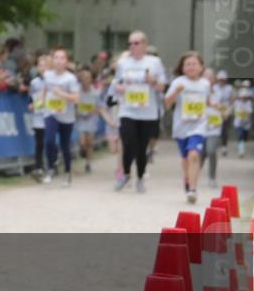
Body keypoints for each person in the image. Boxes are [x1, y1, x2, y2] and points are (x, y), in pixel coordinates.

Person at [109, 31, 167, 193]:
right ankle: (126, 174)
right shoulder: (123, 63)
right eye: (130, 43)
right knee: (128, 142)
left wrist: (152, 81)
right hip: (127, 110)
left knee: (141, 147)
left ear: (144, 45)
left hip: (148, 111)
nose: (132, 46)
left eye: (136, 43)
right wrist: (119, 87)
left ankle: (140, 177)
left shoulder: (154, 62)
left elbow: (162, 86)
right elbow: (116, 82)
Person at [164, 51, 210, 204]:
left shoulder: (205, 84)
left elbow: (206, 101)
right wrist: (176, 92)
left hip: (199, 125)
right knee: (185, 158)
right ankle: (188, 178)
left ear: (201, 67)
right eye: (188, 64)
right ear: (182, 68)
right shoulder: (178, 82)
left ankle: (192, 189)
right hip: (181, 127)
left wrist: (213, 105)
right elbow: (167, 103)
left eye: (194, 64)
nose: (191, 67)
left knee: (194, 155)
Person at [41, 47, 80, 185]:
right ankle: (50, 169)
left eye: (62, 58)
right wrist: (41, 100)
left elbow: (76, 98)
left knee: (65, 146)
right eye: (56, 57)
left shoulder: (70, 78)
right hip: (51, 112)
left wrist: (61, 94)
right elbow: (45, 88)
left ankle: (68, 172)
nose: (58, 61)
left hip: (66, 116)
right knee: (49, 140)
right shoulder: (47, 75)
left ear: (66, 61)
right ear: (52, 60)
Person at [75, 68, 102, 174]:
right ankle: (82, 149)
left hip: (91, 119)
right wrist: (78, 111)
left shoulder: (95, 93)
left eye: (88, 78)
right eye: (84, 78)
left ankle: (88, 163)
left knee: (90, 142)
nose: (86, 80)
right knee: (82, 142)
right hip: (80, 119)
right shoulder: (76, 91)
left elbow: (99, 108)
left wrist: (92, 111)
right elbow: (73, 105)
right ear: (80, 79)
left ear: (91, 79)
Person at [201, 68, 223, 189]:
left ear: (214, 79)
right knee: (200, 154)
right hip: (200, 126)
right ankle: (193, 176)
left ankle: (212, 177)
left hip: (214, 127)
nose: (208, 79)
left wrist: (222, 110)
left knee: (211, 151)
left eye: (210, 77)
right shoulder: (198, 89)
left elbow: (224, 107)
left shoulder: (219, 92)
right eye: (206, 76)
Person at [28, 55, 48, 181]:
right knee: (39, 142)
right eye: (40, 65)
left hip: (50, 114)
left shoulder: (53, 81)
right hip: (38, 115)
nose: (42, 68)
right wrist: (31, 104)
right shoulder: (34, 82)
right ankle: (39, 167)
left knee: (49, 141)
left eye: (45, 65)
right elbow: (31, 97)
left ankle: (52, 163)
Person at [212, 70, 234, 157]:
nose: (221, 81)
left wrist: (228, 112)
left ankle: (224, 146)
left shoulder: (229, 88)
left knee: (224, 129)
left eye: (223, 79)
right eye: (220, 79)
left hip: (226, 111)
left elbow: (232, 101)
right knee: (215, 128)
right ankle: (215, 145)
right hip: (216, 110)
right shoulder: (214, 88)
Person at [234, 82, 254, 158]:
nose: (243, 98)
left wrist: (246, 111)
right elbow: (234, 110)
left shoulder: (249, 103)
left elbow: (250, 111)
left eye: (245, 97)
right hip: (238, 122)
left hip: (246, 123)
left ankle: (241, 146)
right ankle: (241, 151)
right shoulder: (236, 103)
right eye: (242, 97)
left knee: (245, 137)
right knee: (240, 135)